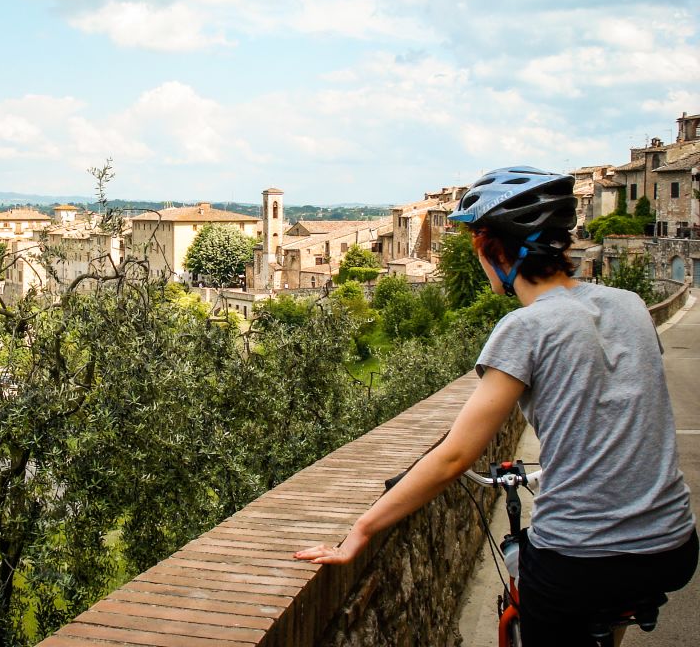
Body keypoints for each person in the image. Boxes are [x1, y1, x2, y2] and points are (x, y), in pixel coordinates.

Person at [295, 166, 697, 645]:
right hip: (674, 545)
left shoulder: (525, 328)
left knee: (563, 597)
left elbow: (454, 456)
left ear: (491, 249)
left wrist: (360, 530)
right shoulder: (629, 303)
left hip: (582, 557)